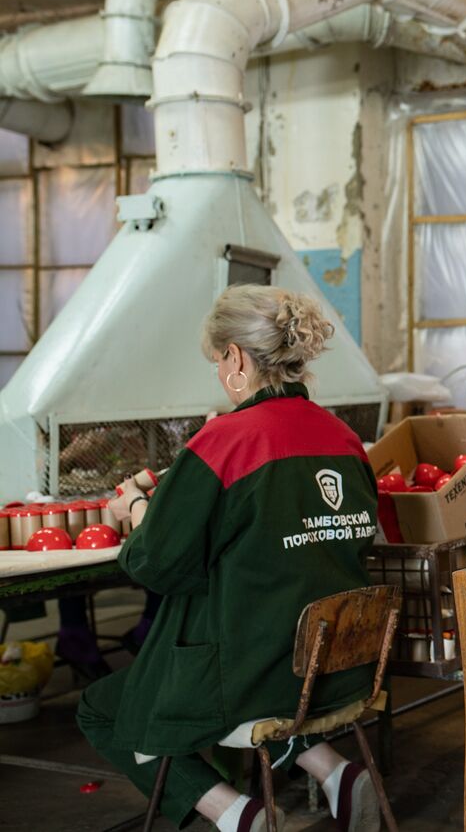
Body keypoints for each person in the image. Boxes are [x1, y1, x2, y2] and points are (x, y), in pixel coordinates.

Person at [77, 286, 384, 832]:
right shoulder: (345, 439)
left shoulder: (223, 441)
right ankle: (336, 772)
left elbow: (154, 564)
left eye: (218, 361)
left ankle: (236, 813)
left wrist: (139, 511)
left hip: (253, 667)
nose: (219, 373)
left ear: (237, 358)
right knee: (264, 665)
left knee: (109, 707)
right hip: (335, 664)